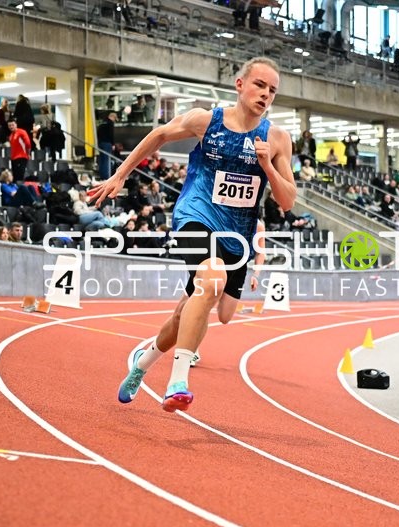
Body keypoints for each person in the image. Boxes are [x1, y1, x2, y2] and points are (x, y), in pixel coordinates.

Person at [89, 57, 296, 413]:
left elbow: (287, 200)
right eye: (259, 85)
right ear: (240, 84)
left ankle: (142, 362)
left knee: (200, 309)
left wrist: (266, 167)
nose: (265, 94)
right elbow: (159, 135)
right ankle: (178, 382)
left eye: (272, 90)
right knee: (211, 281)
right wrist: (121, 174)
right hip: (195, 215)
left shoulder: (276, 139)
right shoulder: (206, 120)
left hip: (237, 233)